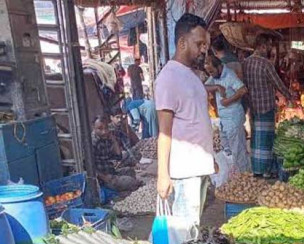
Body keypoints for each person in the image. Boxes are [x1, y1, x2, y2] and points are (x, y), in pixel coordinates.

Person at [154, 13, 214, 225]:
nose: (204, 50)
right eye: (199, 44)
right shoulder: (168, 78)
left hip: (198, 167)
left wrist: (210, 157)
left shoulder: (191, 75)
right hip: (184, 172)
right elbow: (164, 131)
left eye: (205, 44)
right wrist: (163, 174)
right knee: (184, 234)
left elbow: (196, 118)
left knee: (192, 228)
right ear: (182, 43)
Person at [242, 33, 295, 177]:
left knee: (256, 138)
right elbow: (277, 83)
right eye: (268, 46)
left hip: (253, 106)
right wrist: (290, 96)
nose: (269, 49)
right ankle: (266, 171)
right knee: (266, 139)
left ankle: (256, 169)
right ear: (262, 46)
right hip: (266, 106)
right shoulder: (265, 64)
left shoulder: (246, 63)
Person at [204, 54, 250, 173]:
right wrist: (217, 87)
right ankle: (234, 174)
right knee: (227, 150)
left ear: (219, 67)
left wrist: (228, 101)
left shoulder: (229, 75)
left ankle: (244, 176)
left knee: (238, 150)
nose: (211, 74)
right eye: (209, 72)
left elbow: (243, 89)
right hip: (224, 120)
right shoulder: (215, 76)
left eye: (212, 71)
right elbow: (203, 86)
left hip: (233, 118)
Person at [92, 116, 142, 192]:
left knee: (130, 171)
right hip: (103, 178)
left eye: (106, 128)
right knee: (131, 182)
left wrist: (114, 140)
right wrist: (104, 177)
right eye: (100, 129)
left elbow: (118, 157)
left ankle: (128, 186)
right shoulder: (92, 142)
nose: (104, 131)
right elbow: (89, 167)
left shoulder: (106, 138)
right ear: (94, 128)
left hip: (111, 171)